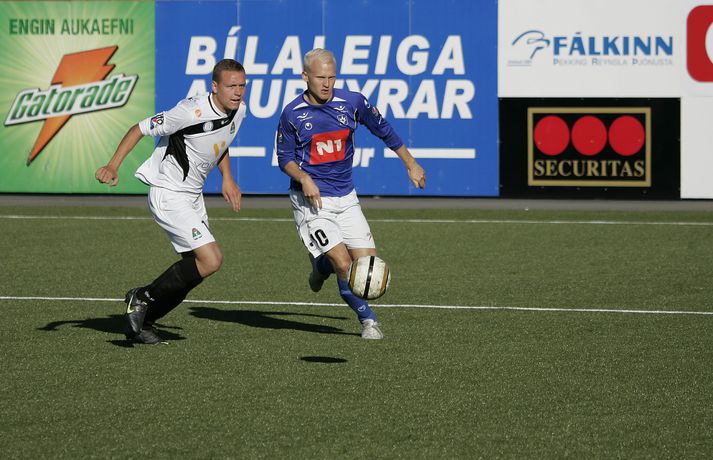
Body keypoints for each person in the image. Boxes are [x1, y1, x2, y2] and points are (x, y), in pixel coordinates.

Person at [276, 49, 426, 340]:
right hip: (311, 203)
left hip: (346, 198)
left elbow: (383, 129)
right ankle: (368, 320)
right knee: (345, 266)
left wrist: (411, 163)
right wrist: (304, 177)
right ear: (305, 76)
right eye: (320, 77)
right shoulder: (292, 114)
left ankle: (320, 267)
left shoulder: (353, 102)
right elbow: (285, 159)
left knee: (367, 267)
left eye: (331, 77)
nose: (326, 84)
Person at [95, 59, 248, 344]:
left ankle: (144, 323)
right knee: (211, 259)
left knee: (196, 269)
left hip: (193, 197)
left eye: (242, 85)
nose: (238, 92)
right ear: (215, 86)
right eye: (231, 86)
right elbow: (138, 128)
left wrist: (227, 177)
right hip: (169, 193)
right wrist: (113, 166)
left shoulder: (239, 110)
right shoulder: (189, 112)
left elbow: (220, 143)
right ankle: (142, 297)